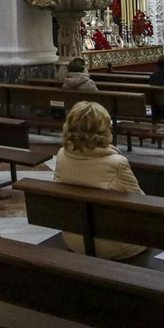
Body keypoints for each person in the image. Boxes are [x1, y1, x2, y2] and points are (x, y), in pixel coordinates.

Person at [52, 101, 146, 260]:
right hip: (113, 245)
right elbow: (141, 203)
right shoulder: (116, 163)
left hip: (74, 239)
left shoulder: (62, 154)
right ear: (104, 130)